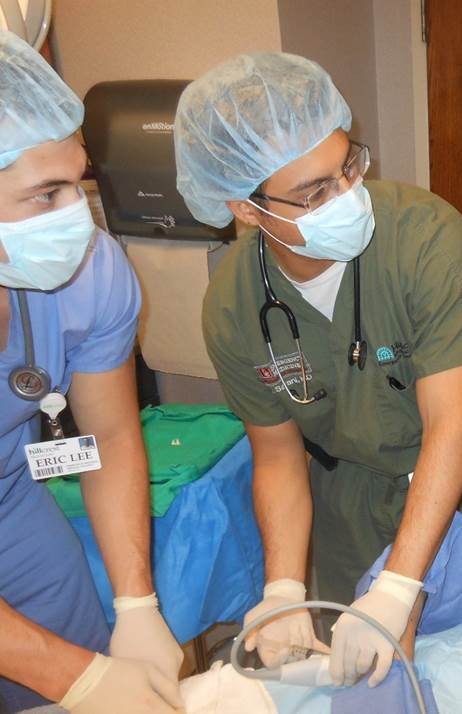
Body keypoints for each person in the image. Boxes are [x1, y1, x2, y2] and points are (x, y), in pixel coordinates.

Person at [173, 52, 462, 688]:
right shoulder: (232, 305)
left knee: (456, 653)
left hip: (446, 474)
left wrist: (400, 587)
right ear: (246, 210)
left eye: (348, 167)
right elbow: (276, 456)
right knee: (356, 668)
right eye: (314, 193)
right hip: (339, 496)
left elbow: (452, 425)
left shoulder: (424, 236)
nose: (347, 197)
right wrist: (281, 585)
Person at [0, 30, 182, 713]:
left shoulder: (91, 273)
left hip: (10, 501)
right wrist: (76, 679)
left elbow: (106, 434)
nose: (77, 218)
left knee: (69, 646)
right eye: (44, 197)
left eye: (78, 182)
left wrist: (136, 604)